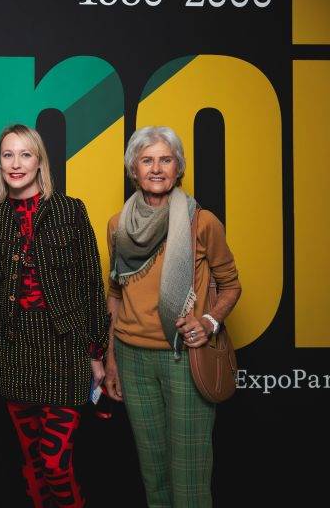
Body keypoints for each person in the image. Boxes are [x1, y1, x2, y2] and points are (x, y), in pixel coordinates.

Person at [103, 126, 241, 507]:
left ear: (179, 167)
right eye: (147, 160)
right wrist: (111, 360)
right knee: (154, 473)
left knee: (190, 474)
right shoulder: (118, 225)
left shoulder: (202, 222)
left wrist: (210, 322)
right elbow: (115, 292)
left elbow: (231, 286)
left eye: (166, 159)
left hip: (185, 356)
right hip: (132, 358)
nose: (157, 168)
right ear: (134, 170)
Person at [0, 124, 110, 508]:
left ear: (40, 162)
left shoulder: (70, 210)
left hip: (66, 351)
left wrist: (96, 352)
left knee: (56, 464)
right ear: (0, 164)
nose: (16, 163)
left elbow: (92, 282)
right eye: (8, 155)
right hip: (15, 352)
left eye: (25, 154)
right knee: (34, 465)